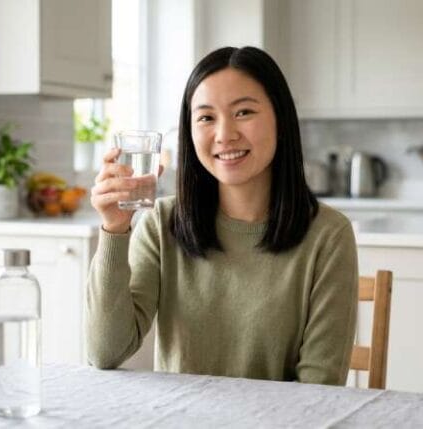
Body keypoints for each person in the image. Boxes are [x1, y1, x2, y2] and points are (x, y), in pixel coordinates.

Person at [87, 46, 357, 385]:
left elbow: (319, 388)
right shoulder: (161, 223)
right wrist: (113, 229)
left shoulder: (328, 235)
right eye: (206, 117)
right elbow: (105, 352)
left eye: (243, 112)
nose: (224, 134)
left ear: (281, 117)